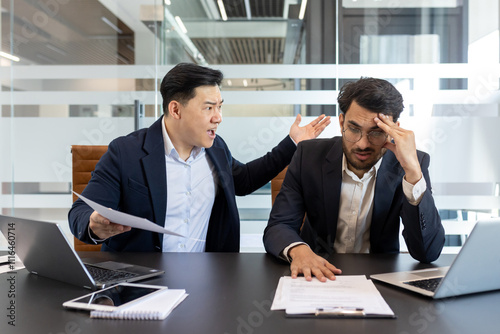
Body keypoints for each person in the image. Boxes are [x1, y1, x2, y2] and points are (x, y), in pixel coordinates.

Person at [69, 62, 330, 252]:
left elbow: (245, 180)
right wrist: (94, 227)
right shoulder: (125, 152)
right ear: (176, 110)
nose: (218, 117)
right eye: (208, 108)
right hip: (141, 281)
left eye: (219, 107)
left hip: (209, 280)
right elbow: (80, 212)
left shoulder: (216, 149)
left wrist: (293, 142)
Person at [263, 77, 445, 282]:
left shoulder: (412, 163)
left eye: (376, 133)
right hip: (317, 273)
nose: (362, 144)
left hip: (380, 278)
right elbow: (279, 226)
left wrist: (412, 172)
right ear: (341, 123)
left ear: (393, 130)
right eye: (354, 129)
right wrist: (300, 251)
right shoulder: (308, 155)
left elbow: (428, 253)